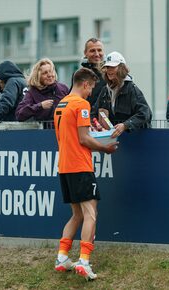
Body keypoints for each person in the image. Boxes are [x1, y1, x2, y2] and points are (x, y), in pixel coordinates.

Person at [53, 67, 118, 280]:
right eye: (91, 88)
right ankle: (84, 261)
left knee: (77, 214)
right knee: (91, 213)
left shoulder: (60, 104)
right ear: (85, 84)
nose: (91, 93)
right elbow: (83, 138)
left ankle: (62, 258)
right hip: (80, 166)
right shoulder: (81, 104)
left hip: (64, 166)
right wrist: (104, 147)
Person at [91, 51, 152, 138]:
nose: (109, 70)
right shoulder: (105, 90)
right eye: (107, 67)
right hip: (113, 140)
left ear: (121, 68)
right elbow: (93, 112)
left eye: (113, 67)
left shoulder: (132, 89)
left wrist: (125, 125)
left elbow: (145, 113)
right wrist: (96, 124)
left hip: (135, 140)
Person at [15, 58, 69, 123]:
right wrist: (40, 106)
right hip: (44, 132)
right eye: (45, 73)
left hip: (64, 130)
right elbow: (19, 115)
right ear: (38, 76)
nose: (50, 75)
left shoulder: (63, 88)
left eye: (51, 71)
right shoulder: (32, 93)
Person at [79, 38, 106, 107]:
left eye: (99, 50)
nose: (97, 54)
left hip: (106, 117)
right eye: (92, 51)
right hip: (86, 116)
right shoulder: (79, 75)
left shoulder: (110, 73)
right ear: (85, 53)